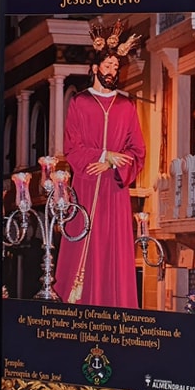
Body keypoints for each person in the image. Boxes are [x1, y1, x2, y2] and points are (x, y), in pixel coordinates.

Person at [53, 25, 146, 309]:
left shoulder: (126, 106)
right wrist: (105, 155)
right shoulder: (80, 103)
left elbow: (138, 151)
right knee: (84, 243)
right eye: (107, 64)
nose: (112, 70)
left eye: (116, 65)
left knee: (113, 250)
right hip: (86, 184)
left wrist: (112, 164)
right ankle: (78, 303)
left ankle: (114, 307)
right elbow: (73, 148)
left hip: (114, 191)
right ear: (95, 68)